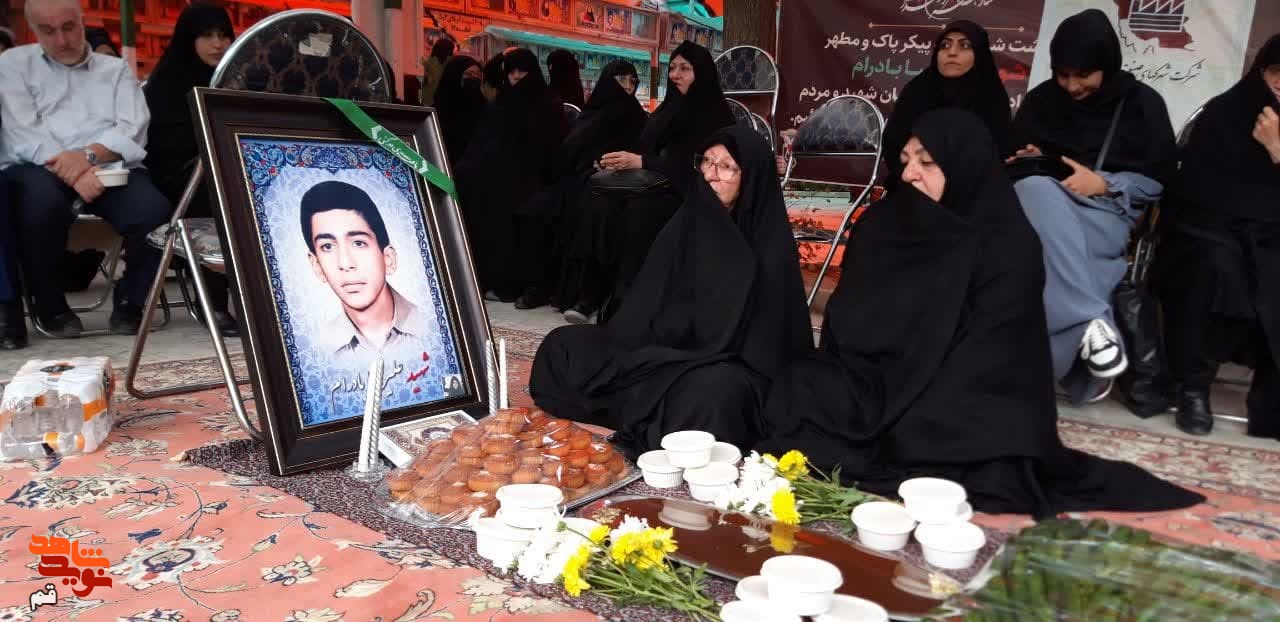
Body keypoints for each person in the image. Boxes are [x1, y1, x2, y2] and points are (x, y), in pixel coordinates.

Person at [756, 109, 1203, 517]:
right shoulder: (882, 225)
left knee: (946, 431)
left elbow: (997, 349)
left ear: (963, 164)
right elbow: (847, 323)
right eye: (906, 160)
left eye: (927, 163)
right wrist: (883, 365)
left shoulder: (1006, 242)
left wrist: (918, 378)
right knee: (801, 386)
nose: (909, 174)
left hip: (957, 379)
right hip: (876, 376)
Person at [530, 126, 812, 457]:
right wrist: (650, 347)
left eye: (726, 167)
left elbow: (768, 348)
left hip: (723, 360)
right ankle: (654, 410)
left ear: (751, 177)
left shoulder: (768, 244)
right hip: (659, 348)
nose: (711, 174)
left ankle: (657, 412)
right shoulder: (689, 220)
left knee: (711, 396)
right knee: (562, 347)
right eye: (707, 161)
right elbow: (647, 304)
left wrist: (696, 354)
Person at [1007, 9, 1177, 404]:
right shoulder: (1042, 101)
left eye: (1083, 74)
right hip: (1042, 208)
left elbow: (1161, 180)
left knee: (1045, 240)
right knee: (1035, 189)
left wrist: (1105, 184)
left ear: (1108, 64)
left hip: (1104, 212)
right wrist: (1030, 158)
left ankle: (1045, 370)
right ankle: (1090, 327)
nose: (1072, 86)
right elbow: (1011, 162)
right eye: (1063, 74)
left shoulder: (1142, 104)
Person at [0, 0, 171, 336]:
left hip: (106, 163)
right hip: (38, 166)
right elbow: (23, 132)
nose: (62, 40)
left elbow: (134, 126)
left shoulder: (114, 69)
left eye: (69, 27)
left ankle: (132, 301)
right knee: (40, 205)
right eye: (49, 31)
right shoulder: (13, 64)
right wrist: (76, 170)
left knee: (154, 212)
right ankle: (50, 306)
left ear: (82, 22)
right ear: (33, 30)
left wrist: (88, 157)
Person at [1154, 35, 1280, 439]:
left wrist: (1278, 150)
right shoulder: (1224, 114)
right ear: (1260, 72)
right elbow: (1190, 196)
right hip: (1211, 230)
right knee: (1210, 265)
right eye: (1276, 73)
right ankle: (1194, 388)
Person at [592, 41, 734, 320]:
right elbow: (644, 148)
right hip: (652, 185)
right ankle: (594, 293)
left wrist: (644, 162)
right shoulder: (668, 109)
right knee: (600, 202)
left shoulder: (715, 114)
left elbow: (704, 166)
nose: (675, 75)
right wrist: (617, 161)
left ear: (701, 72)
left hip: (690, 193)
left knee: (641, 211)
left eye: (685, 68)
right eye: (673, 68)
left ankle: (631, 305)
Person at [144, 2, 236, 336]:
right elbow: (162, 145)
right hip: (178, 176)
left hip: (223, 167)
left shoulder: (237, 78)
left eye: (224, 35)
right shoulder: (165, 84)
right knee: (214, 187)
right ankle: (213, 302)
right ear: (188, 39)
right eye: (207, 36)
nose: (218, 44)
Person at [454, 48, 567, 304]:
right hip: (498, 175)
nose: (516, 76)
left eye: (522, 71)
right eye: (511, 71)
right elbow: (483, 142)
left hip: (534, 179)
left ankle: (517, 284)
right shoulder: (502, 101)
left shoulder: (548, 103)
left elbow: (551, 149)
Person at [553, 60, 647, 323]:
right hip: (586, 179)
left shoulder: (639, 117)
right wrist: (593, 163)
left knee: (603, 208)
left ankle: (593, 295)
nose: (628, 86)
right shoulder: (591, 114)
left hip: (626, 184)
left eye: (632, 81)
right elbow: (571, 151)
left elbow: (646, 151)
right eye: (621, 79)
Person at [881, 20, 1011, 191]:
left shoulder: (992, 98)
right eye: (945, 46)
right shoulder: (917, 91)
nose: (952, 52)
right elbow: (893, 145)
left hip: (970, 194)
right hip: (912, 186)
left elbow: (996, 155)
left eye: (965, 46)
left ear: (979, 54)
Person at [299, 180, 423, 358]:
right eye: (327, 246)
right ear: (317, 266)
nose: (345, 263)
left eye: (358, 243)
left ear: (388, 258)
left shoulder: (432, 327)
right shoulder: (317, 352)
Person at [433, 55, 486, 164]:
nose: (474, 77)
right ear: (455, 75)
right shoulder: (437, 112)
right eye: (469, 74)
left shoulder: (485, 108)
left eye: (478, 74)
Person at [419, 38, 455, 107]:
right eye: (452, 51)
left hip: (428, 100)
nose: (453, 53)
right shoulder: (448, 63)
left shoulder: (429, 61)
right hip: (439, 101)